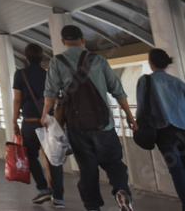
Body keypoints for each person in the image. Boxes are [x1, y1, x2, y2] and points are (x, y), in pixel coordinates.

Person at [43, 25, 137, 211]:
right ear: (83, 39)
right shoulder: (99, 60)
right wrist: (129, 116)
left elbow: (50, 94)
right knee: (114, 163)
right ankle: (121, 191)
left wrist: (44, 116)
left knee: (87, 170)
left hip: (78, 127)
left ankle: (93, 206)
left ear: (63, 41)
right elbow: (117, 90)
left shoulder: (57, 62)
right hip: (104, 125)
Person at [12, 42, 64, 208]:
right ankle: (59, 198)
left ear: (26, 58)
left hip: (29, 123)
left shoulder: (20, 74)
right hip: (48, 123)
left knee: (31, 156)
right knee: (54, 159)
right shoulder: (48, 75)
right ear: (42, 58)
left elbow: (17, 99)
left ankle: (43, 188)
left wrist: (14, 120)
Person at [137, 48, 185, 210]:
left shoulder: (146, 81)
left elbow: (142, 108)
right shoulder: (178, 82)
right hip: (183, 129)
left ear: (151, 63)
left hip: (163, 132)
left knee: (176, 170)